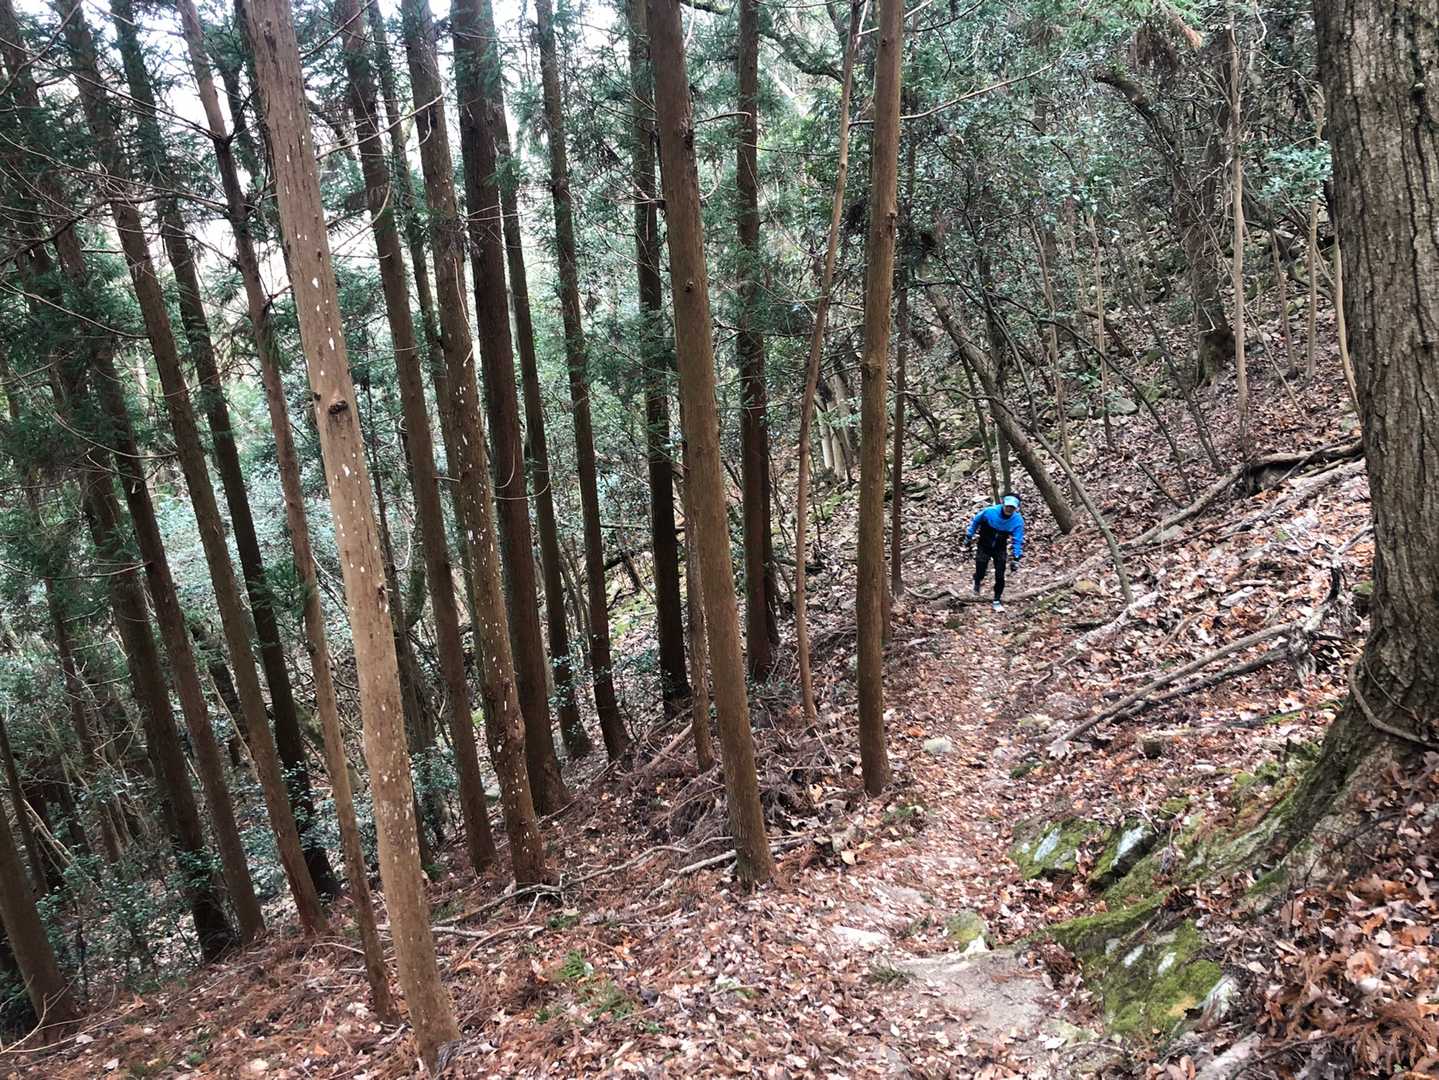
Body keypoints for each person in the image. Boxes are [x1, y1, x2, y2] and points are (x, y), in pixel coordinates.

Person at [964, 494, 1024, 612]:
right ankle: (977, 581)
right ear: (1003, 504)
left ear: (1016, 508)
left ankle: (997, 599)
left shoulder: (1017, 521)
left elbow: (1018, 539)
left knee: (1000, 575)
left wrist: (1016, 557)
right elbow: (976, 521)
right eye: (1008, 506)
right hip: (984, 545)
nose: (1009, 509)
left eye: (1012, 507)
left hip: (1000, 548)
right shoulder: (989, 512)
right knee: (981, 569)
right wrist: (969, 535)